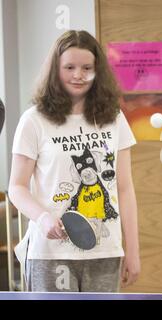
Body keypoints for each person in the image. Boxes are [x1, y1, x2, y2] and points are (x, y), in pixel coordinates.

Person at [9, 30, 140, 292]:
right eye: (69, 67)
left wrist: (133, 250)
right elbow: (17, 187)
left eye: (86, 68)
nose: (78, 75)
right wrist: (42, 217)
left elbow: (124, 188)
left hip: (105, 252)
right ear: (55, 70)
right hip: (50, 255)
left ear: (97, 71)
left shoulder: (114, 118)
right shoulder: (34, 120)